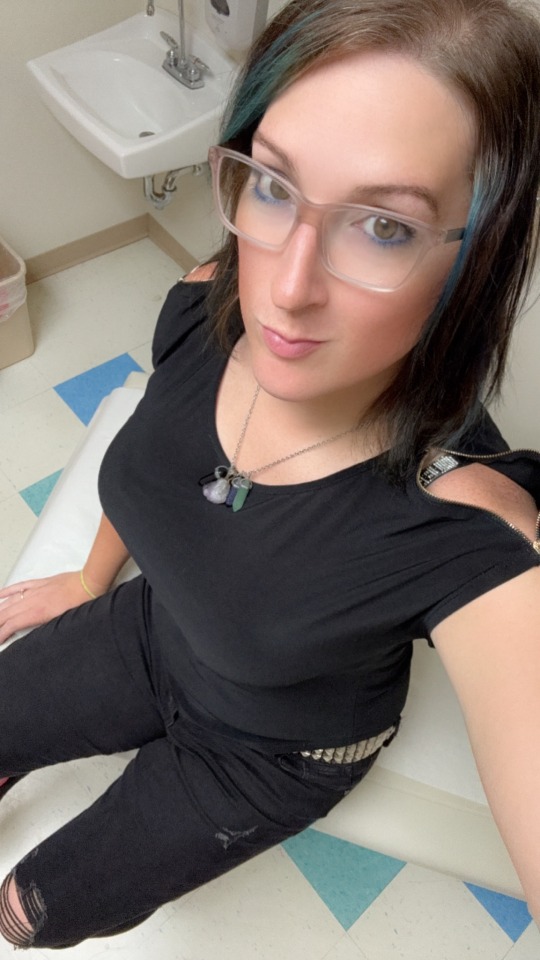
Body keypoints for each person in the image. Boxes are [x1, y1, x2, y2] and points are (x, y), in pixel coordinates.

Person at [1, 0, 540, 948]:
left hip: (273, 750)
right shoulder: (209, 300)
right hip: (156, 628)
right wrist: (90, 579)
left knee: (30, 908)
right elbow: (161, 461)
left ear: (480, 253)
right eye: (275, 186)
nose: (286, 288)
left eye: (384, 227)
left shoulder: (474, 529)